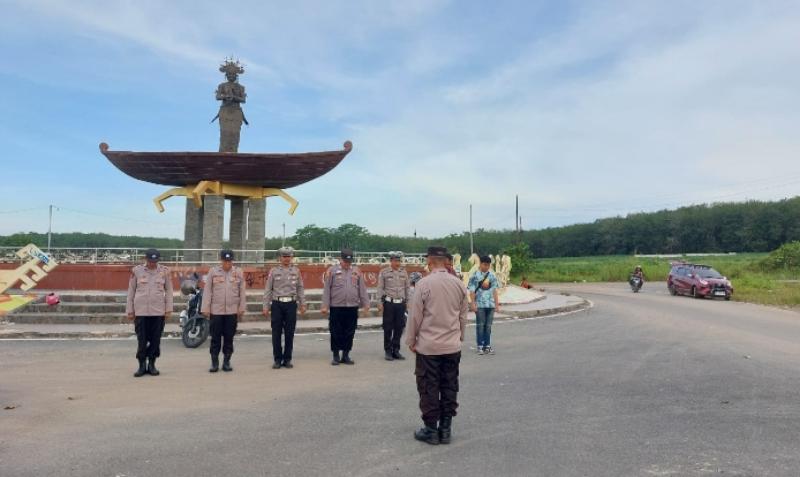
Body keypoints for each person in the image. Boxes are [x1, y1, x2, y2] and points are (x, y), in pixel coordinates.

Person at [406, 246, 468, 445]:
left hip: (429, 347)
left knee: (428, 386)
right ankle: (446, 429)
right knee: (449, 385)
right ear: (446, 262)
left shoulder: (423, 284)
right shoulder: (459, 284)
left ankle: (431, 430)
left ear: (430, 262)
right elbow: (463, 316)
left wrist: (411, 340)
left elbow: (415, 316)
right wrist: (460, 338)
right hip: (452, 346)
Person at [126, 249, 173, 377]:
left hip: (158, 312)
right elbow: (131, 291)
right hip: (141, 312)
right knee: (141, 340)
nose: (152, 263)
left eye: (155, 261)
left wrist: (168, 309)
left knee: (155, 340)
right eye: (150, 261)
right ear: (145, 259)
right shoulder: (137, 271)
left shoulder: (164, 272)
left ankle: (152, 364)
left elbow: (169, 291)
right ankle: (141, 365)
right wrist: (130, 310)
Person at [320, 248, 370, 366]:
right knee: (336, 331)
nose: (348, 264)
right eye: (346, 261)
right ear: (340, 260)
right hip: (336, 307)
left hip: (352, 307)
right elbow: (327, 289)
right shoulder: (332, 271)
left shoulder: (357, 271)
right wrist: (325, 305)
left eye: (350, 261)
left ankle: (346, 355)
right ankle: (336, 355)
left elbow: (362, 289)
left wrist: (366, 304)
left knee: (350, 332)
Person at [201, 249, 247, 373]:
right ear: (221, 260)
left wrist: (241, 307)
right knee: (215, 338)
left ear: (232, 260)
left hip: (232, 312)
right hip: (216, 311)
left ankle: (226, 362)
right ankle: (214, 362)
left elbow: (242, 291)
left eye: (229, 261)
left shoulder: (238, 272)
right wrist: (205, 308)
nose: (227, 263)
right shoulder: (213, 272)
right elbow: (207, 291)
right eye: (225, 261)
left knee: (229, 338)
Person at [263, 246, 306, 369]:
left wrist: (303, 303)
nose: (287, 259)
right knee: (276, 333)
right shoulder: (274, 271)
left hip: (291, 304)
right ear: (280, 258)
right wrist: (265, 306)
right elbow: (268, 289)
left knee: (289, 333)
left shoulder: (296, 271)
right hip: (277, 304)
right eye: (284, 256)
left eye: (289, 256)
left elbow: (300, 288)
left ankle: (287, 359)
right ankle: (277, 359)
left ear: (292, 257)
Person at [377, 251, 410, 361]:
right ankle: (388, 350)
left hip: (400, 304)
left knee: (399, 327)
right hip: (389, 304)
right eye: (395, 261)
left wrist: (408, 301)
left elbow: (407, 288)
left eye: (399, 261)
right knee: (388, 328)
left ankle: (396, 350)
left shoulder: (404, 272)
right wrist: (379, 303)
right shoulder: (384, 272)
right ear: (391, 261)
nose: (397, 263)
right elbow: (380, 288)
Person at [468, 255, 501, 355]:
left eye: (488, 265)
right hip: (480, 305)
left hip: (490, 305)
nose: (486, 267)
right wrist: (472, 303)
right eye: (484, 264)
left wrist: (496, 304)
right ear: (480, 264)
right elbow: (472, 291)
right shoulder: (474, 276)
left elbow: (495, 290)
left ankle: (487, 346)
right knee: (480, 326)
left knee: (488, 326)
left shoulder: (492, 276)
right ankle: (480, 346)